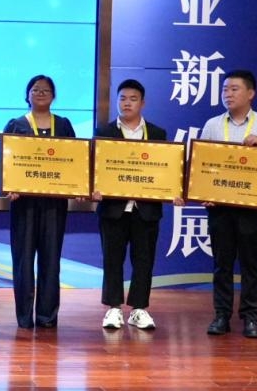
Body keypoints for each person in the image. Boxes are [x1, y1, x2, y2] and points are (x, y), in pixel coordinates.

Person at [199, 69, 257, 339]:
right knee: (222, 263)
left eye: (234, 89)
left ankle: (251, 317)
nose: (228, 94)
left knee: (250, 263)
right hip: (220, 206)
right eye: (225, 89)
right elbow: (202, 164)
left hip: (251, 206)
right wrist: (203, 191)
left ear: (251, 93)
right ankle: (221, 315)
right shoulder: (213, 125)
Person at [92, 79, 174, 331]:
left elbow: (166, 170)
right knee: (112, 259)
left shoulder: (157, 134)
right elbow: (95, 167)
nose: (127, 103)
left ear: (142, 103)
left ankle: (139, 309)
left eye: (133, 99)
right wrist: (93, 188)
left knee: (144, 260)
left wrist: (173, 190)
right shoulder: (104, 132)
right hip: (113, 209)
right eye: (122, 98)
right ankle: (113, 308)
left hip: (145, 209)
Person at [2, 75, 76, 329]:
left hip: (54, 204)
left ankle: (47, 316)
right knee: (23, 261)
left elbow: (74, 160)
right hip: (23, 204)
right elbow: (7, 162)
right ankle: (24, 317)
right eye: (35, 89)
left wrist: (76, 186)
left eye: (46, 90)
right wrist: (9, 186)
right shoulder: (15, 125)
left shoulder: (63, 125)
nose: (41, 93)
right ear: (28, 95)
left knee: (51, 260)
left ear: (53, 96)